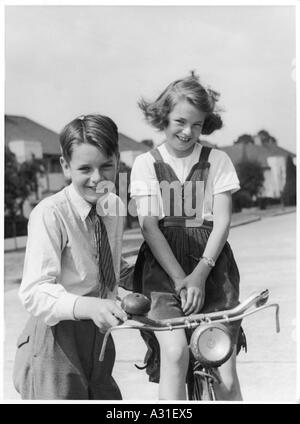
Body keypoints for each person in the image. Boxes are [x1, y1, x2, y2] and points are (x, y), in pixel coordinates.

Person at [130, 74, 245, 400]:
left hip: (211, 267)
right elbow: (150, 226)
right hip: (164, 272)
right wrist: (182, 278)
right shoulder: (145, 164)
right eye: (180, 121)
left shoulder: (217, 161)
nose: (187, 131)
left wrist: (199, 274)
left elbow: (222, 221)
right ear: (162, 117)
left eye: (197, 124)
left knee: (224, 367)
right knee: (176, 353)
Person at [13, 114, 130, 400]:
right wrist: (88, 306)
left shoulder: (113, 205)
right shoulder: (50, 213)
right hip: (55, 340)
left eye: (106, 166)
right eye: (84, 169)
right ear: (65, 166)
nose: (97, 178)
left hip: (99, 338)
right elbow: (34, 291)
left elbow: (109, 265)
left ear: (116, 160)